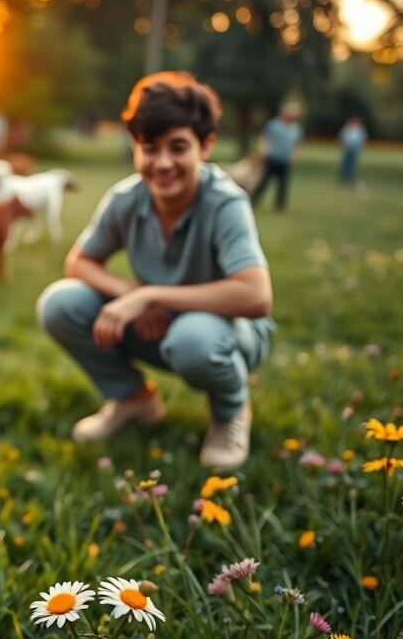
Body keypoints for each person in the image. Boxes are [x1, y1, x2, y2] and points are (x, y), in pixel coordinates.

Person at [37, 71, 274, 471]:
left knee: (194, 338)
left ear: (207, 145)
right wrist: (129, 294)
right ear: (135, 148)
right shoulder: (127, 198)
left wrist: (149, 296)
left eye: (178, 147)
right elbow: (79, 261)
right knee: (60, 303)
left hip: (227, 333)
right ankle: (134, 400)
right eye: (150, 148)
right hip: (158, 327)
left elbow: (256, 296)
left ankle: (230, 413)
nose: (162, 163)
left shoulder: (225, 202)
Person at [250, 102, 303, 212]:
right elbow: (264, 138)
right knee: (264, 182)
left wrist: (295, 155)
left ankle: (280, 206)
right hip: (272, 158)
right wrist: (263, 150)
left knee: (283, 184)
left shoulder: (296, 129)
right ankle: (253, 201)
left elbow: (297, 144)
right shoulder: (273, 124)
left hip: (285, 160)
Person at [338, 115, 367, 187]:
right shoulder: (346, 128)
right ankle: (344, 177)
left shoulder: (360, 129)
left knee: (352, 164)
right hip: (348, 148)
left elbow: (363, 139)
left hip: (355, 149)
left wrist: (361, 147)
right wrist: (343, 145)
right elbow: (342, 137)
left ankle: (350, 177)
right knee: (345, 163)